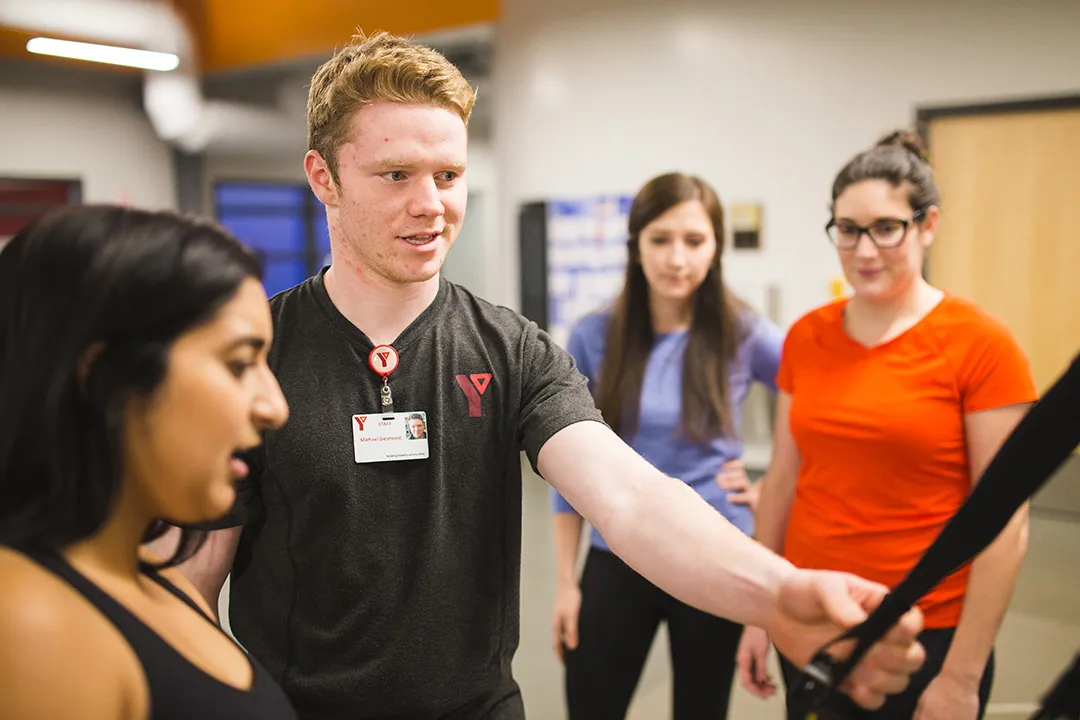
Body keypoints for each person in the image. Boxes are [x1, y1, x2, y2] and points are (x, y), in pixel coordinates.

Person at [173, 32, 926, 720]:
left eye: (449, 174)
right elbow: (191, 581)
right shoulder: (252, 355)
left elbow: (629, 499)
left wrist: (778, 591)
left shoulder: (512, 349)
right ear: (323, 177)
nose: (430, 205)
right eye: (396, 173)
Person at [737, 131, 1037, 720]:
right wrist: (760, 610)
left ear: (927, 226)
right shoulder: (807, 336)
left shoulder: (981, 344)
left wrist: (962, 675)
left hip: (927, 631)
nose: (864, 249)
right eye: (847, 229)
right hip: (813, 617)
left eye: (886, 227)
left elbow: (1005, 523)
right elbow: (783, 480)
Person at [0, 206, 296, 718]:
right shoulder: (34, 622)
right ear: (104, 377)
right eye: (238, 364)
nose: (275, 407)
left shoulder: (148, 573)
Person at [549, 172, 782, 719]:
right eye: (660, 239)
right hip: (617, 553)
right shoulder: (593, 334)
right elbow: (569, 467)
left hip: (713, 548)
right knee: (591, 704)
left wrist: (771, 487)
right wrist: (566, 583)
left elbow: (820, 396)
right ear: (636, 246)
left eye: (694, 241)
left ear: (716, 247)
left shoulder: (743, 330)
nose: (677, 258)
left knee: (701, 708)